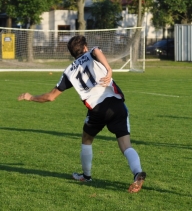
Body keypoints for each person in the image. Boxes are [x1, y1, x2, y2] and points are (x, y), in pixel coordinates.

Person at [17, 35, 146, 193]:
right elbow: (97, 50)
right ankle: (137, 173)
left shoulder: (69, 72)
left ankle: (86, 176)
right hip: (117, 103)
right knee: (126, 145)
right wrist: (109, 70)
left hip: (97, 109)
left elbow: (50, 97)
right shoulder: (91, 53)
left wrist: (31, 97)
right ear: (85, 47)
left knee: (87, 139)